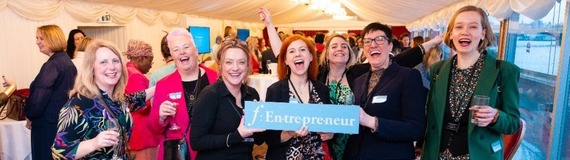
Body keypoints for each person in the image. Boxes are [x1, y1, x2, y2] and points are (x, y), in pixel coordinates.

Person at [421, 5, 521, 159]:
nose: (465, 31)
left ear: (483, 33)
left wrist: (495, 116)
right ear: (451, 34)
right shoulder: (438, 70)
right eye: (459, 27)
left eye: (473, 27)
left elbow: (513, 124)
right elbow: (431, 116)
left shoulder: (505, 71)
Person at [51, 39, 156, 159]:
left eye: (115, 61)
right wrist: (94, 143)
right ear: (91, 68)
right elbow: (59, 152)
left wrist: (160, 87)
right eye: (103, 62)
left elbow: (133, 100)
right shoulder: (78, 105)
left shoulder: (116, 99)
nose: (111, 67)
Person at [344, 22, 428, 159]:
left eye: (379, 39)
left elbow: (415, 129)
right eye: (367, 41)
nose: (373, 45)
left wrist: (373, 122)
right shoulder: (358, 81)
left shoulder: (407, 76)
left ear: (390, 45)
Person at [190, 37, 266, 159]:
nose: (235, 68)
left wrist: (261, 122)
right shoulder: (210, 95)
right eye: (229, 62)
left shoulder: (252, 95)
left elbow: (258, 141)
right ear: (221, 66)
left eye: (241, 62)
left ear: (247, 66)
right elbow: (197, 142)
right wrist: (237, 135)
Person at [149, 28, 218, 160]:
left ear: (196, 50)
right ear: (172, 56)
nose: (182, 52)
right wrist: (161, 116)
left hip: (211, 150)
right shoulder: (163, 85)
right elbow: (153, 128)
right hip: (179, 153)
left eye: (186, 47)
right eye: (176, 50)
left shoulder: (214, 78)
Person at [260, 34, 332, 159]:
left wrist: (330, 134)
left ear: (310, 57)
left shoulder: (322, 89)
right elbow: (269, 138)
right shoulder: (275, 91)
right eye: (292, 51)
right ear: (286, 60)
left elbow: (330, 125)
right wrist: (290, 132)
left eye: (302, 50)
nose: (298, 54)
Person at [25, 24, 77, 159]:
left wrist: (29, 115)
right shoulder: (66, 62)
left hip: (47, 126)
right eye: (36, 38)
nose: (37, 42)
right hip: (62, 123)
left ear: (53, 39)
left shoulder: (52, 65)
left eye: (41, 38)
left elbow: (39, 97)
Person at [123, 39, 160, 159]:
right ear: (140, 59)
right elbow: (141, 105)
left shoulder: (128, 71)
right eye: (150, 61)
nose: (151, 65)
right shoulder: (134, 75)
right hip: (142, 135)